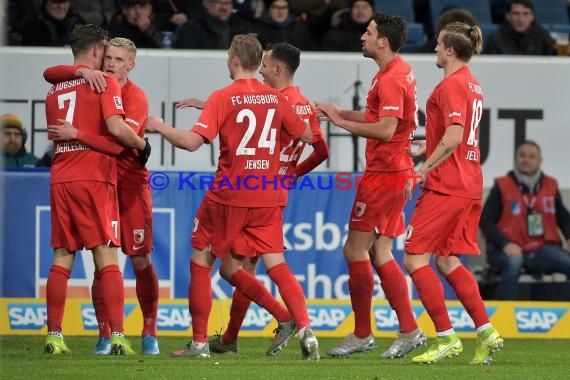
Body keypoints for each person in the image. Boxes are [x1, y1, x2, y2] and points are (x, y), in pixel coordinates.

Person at [145, 34, 320, 360]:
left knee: (201, 262)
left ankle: (199, 344)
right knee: (263, 264)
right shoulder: (275, 98)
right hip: (266, 195)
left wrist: (158, 125)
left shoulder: (222, 97)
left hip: (228, 195)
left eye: (228, 55)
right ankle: (291, 320)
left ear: (235, 60)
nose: (228, 60)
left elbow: (191, 143)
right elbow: (308, 135)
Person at [191, 42, 327, 354]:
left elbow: (251, 135)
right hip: (273, 193)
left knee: (233, 268)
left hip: (252, 190)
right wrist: (292, 173)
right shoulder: (301, 104)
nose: (262, 71)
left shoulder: (278, 101)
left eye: (265, 66)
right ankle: (233, 338)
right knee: (246, 268)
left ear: (278, 69)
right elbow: (320, 147)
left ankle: (281, 322)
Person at [315, 13, 427, 359]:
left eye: (369, 31)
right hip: (396, 171)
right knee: (380, 252)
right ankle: (408, 329)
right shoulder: (393, 72)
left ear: (383, 41)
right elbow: (378, 118)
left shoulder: (392, 78)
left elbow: (385, 130)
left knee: (354, 250)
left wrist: (337, 122)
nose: (362, 36)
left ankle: (364, 334)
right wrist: (342, 112)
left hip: (385, 174)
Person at [44, 38, 159, 354]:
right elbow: (51, 71)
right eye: (108, 57)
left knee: (139, 258)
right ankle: (106, 333)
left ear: (131, 64)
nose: (111, 63)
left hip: (129, 185)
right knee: (102, 258)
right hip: (98, 181)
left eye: (119, 59)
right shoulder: (93, 84)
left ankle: (149, 330)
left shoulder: (134, 96)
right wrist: (81, 71)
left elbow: (124, 141)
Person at [402, 22, 504, 365]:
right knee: (447, 260)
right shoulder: (473, 84)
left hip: (447, 184)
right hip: (469, 182)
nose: (434, 49)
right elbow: (452, 138)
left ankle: (445, 337)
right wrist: (425, 148)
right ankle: (486, 331)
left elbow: (455, 136)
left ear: (449, 51)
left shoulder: (451, 85)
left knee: (415, 258)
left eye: (438, 44)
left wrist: (422, 169)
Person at [480, 141, 570, 300]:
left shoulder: (551, 185)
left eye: (531, 156)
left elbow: (563, 217)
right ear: (516, 158)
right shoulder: (502, 185)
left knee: (566, 262)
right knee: (514, 263)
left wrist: (568, 236)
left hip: (542, 248)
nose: (526, 160)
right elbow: (485, 221)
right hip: (508, 249)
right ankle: (507, 316)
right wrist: (505, 243)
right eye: (522, 155)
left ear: (540, 161)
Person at [172, 0, 252, 49]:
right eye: (218, 2)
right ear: (206, 3)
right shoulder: (191, 28)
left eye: (227, 3)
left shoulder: (240, 27)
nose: (224, 7)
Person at [484, 0, 555, 55]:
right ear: (508, 16)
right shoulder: (495, 39)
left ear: (532, 17)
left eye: (526, 13)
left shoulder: (543, 36)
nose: (521, 19)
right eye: (516, 13)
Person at [252, 0, 317, 51]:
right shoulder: (258, 29)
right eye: (276, 7)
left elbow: (313, 52)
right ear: (269, 8)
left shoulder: (300, 29)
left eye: (284, 7)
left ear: (288, 9)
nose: (280, 11)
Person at [21, 0, 86, 47]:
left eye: (65, 2)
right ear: (47, 2)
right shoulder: (33, 26)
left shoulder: (79, 23)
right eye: (56, 2)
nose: (61, 6)